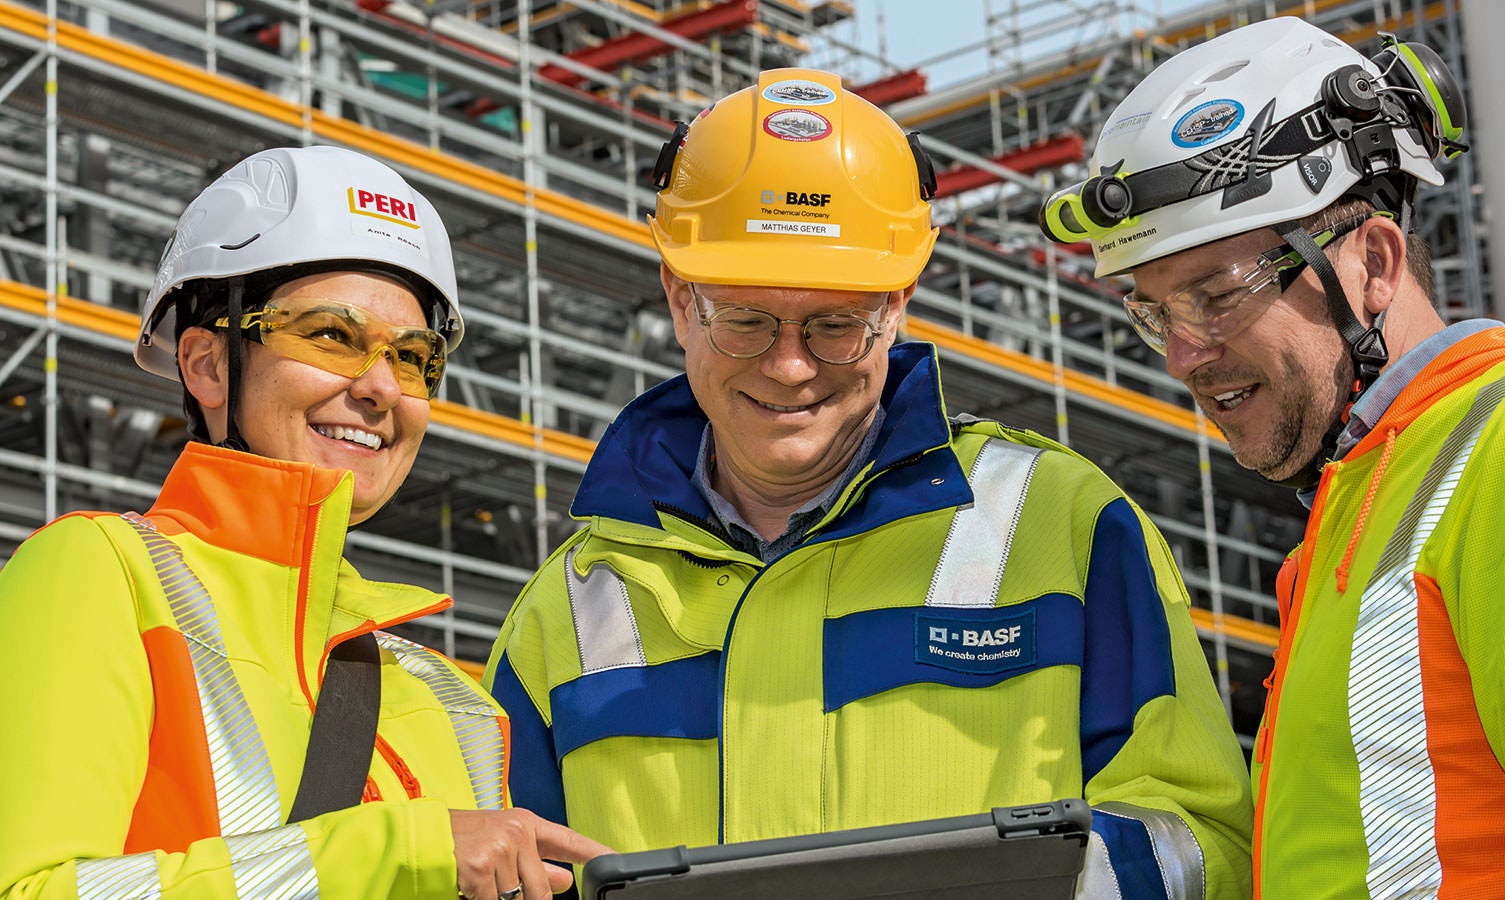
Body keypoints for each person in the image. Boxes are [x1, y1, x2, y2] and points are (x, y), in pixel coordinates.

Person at [484, 67, 1252, 898]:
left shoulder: (1064, 527)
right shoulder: (566, 614)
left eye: (835, 325)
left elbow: (1198, 841)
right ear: (679, 300)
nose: (789, 365)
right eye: (745, 319)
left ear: (897, 307)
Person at [1040, 16, 1505, 899]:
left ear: (1374, 262)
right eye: (1156, 316)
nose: (1187, 354)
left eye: (1218, 296)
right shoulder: (1358, 500)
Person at [0, 145, 604, 900]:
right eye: (331, 335)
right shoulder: (102, 575)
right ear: (209, 366)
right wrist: (390, 852)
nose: (382, 386)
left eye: (413, 357)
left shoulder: (453, 701)